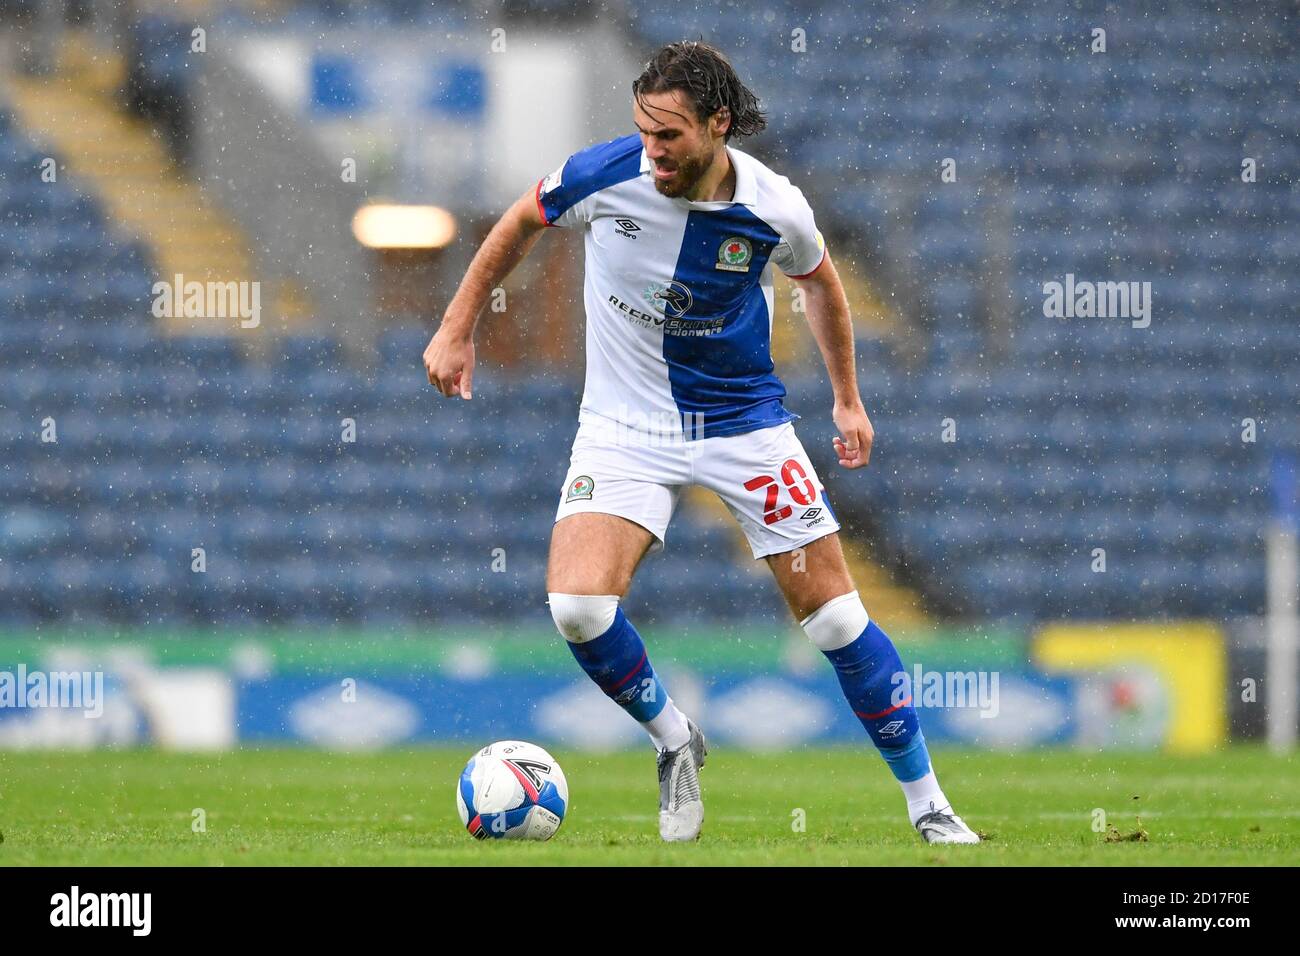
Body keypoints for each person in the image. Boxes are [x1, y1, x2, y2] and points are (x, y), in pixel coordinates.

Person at [424, 40, 979, 846]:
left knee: (834, 622)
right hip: (623, 428)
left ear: (720, 125)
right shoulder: (600, 174)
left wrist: (849, 402)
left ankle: (930, 805)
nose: (653, 152)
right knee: (578, 607)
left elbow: (820, 282)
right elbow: (518, 222)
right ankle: (674, 736)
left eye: (670, 136)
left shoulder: (773, 205)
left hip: (745, 427)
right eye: (645, 132)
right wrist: (457, 326)